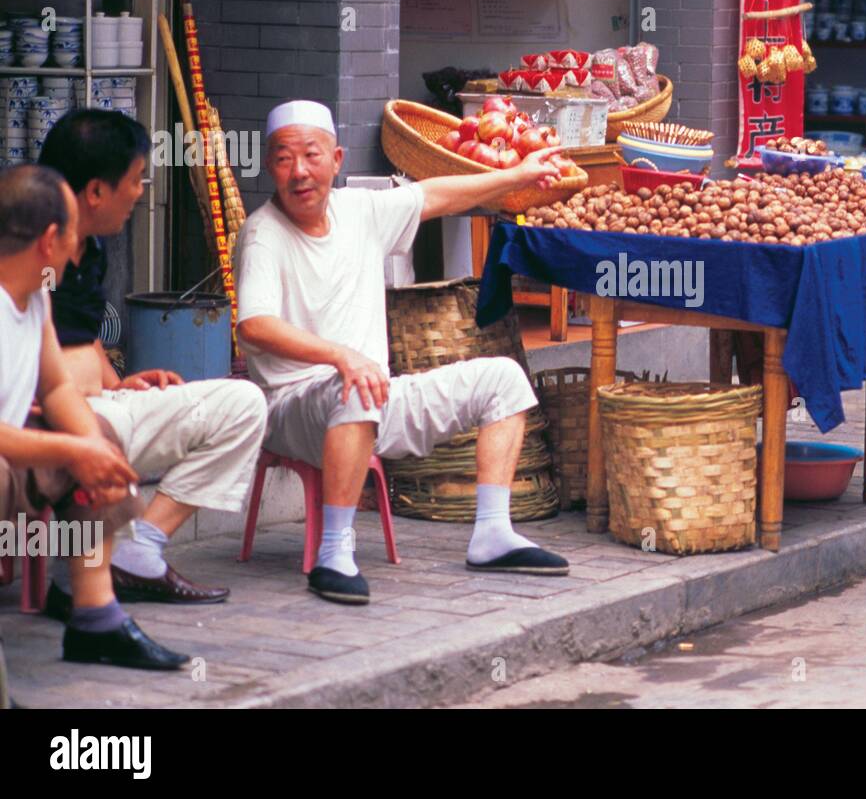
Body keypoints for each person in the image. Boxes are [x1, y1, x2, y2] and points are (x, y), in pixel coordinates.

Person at [234, 101, 571, 606]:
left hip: (372, 395)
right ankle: (333, 553)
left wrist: (514, 176)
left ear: (337, 158)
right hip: (293, 407)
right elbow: (254, 325)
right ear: (269, 165)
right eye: (283, 158)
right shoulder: (263, 233)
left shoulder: (357, 210)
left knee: (503, 379)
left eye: (310, 155)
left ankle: (492, 534)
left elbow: (436, 195)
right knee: (357, 389)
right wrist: (341, 357)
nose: (299, 171)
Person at [37, 110, 267, 613]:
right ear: (96, 191)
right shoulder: (34, 253)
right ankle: (77, 585)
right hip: (53, 424)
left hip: (104, 405)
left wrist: (121, 383)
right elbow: (32, 348)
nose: (141, 191)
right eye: (136, 180)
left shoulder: (90, 248)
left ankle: (139, 550)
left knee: (243, 403)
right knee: (95, 435)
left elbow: (74, 335)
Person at [0, 163, 187, 670]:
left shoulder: (36, 291)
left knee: (96, 432)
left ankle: (96, 621)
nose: (78, 246)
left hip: (14, 451)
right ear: (50, 239)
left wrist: (95, 452)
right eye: (73, 233)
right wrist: (71, 450)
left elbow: (56, 386)